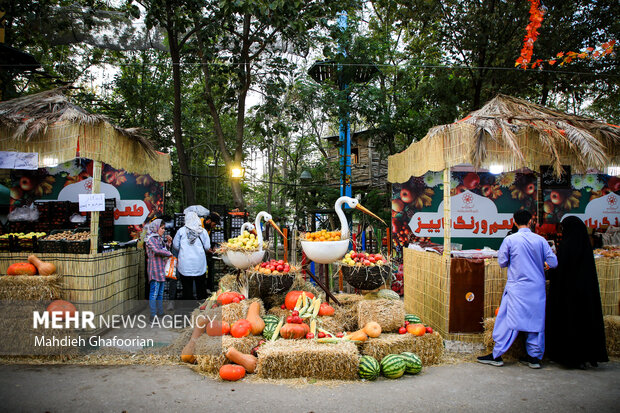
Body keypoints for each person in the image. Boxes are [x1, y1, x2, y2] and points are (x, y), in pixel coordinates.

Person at [477, 209, 558, 369]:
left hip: (517, 287)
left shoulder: (510, 240)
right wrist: (540, 263)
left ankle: (497, 355)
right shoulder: (540, 240)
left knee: (507, 320)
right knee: (536, 321)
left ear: (514, 222)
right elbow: (553, 262)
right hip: (537, 288)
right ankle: (534, 358)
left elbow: (502, 262)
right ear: (530, 222)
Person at [546, 216, 608, 369]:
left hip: (568, 296)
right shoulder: (586, 250)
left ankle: (570, 357)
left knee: (569, 322)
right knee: (585, 322)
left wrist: (549, 272)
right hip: (585, 296)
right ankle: (587, 356)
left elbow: (559, 270)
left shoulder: (566, 247)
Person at [173, 210, 211, 303]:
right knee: (201, 287)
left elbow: (175, 246)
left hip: (185, 264)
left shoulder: (181, 231)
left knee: (187, 288)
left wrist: (183, 250)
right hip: (199, 264)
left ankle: (188, 309)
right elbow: (207, 247)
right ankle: (202, 308)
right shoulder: (203, 231)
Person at [144, 219, 172, 320]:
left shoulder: (159, 238)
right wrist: (168, 253)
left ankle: (160, 312)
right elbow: (156, 250)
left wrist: (168, 243)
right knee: (154, 293)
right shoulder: (150, 239)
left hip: (161, 268)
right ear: (156, 228)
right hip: (154, 269)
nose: (164, 230)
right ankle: (152, 315)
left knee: (160, 293)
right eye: (162, 228)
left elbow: (164, 249)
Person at [202, 212, 221, 293]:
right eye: (214, 224)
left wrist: (212, 248)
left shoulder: (208, 229)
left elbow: (206, 242)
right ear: (209, 221)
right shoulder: (199, 225)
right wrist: (206, 249)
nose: (215, 226)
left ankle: (207, 288)